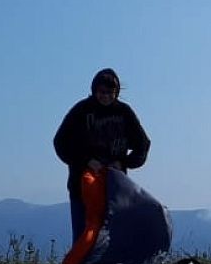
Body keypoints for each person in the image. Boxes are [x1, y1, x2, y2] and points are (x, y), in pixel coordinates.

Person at [53, 68, 151, 244]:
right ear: (94, 90)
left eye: (109, 92)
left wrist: (123, 163)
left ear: (116, 92)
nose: (104, 96)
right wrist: (86, 161)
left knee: (112, 241)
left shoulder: (124, 113)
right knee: (84, 238)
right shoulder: (81, 111)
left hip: (115, 190)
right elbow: (60, 142)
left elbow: (143, 144)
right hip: (81, 188)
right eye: (101, 92)